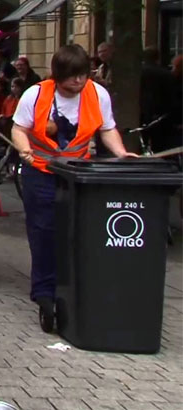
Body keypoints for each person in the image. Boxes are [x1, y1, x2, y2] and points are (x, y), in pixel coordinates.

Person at [11, 44, 136, 329]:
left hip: (76, 172)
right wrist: (24, 149)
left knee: (74, 230)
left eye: (82, 75)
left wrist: (121, 153)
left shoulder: (97, 94)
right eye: (72, 76)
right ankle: (44, 292)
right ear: (57, 75)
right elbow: (19, 128)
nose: (78, 81)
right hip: (41, 171)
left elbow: (107, 128)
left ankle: (72, 285)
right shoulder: (36, 94)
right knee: (43, 231)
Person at [139, 47, 178, 153]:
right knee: (159, 145)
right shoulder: (166, 74)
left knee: (142, 141)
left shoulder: (138, 73)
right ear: (158, 58)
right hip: (160, 114)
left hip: (141, 111)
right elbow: (171, 95)